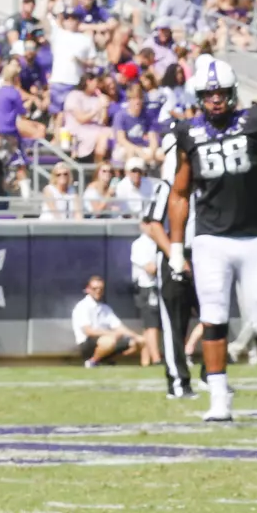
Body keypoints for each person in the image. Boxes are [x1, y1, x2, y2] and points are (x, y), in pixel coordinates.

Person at [164, 58, 257, 422]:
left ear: (232, 93)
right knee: (213, 319)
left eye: (221, 93)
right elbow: (179, 194)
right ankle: (219, 399)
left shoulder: (254, 124)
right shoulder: (188, 134)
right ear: (199, 96)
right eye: (209, 94)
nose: (215, 100)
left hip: (254, 238)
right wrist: (176, 249)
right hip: (211, 240)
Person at [146, 115, 198, 398]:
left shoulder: (200, 186)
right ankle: (178, 382)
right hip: (175, 257)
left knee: (214, 316)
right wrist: (175, 256)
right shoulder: (166, 187)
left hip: (202, 254)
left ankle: (211, 375)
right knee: (174, 325)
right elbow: (154, 226)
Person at [72, 275, 141, 366]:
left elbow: (119, 327)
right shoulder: (82, 306)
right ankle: (92, 362)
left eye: (101, 289)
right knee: (109, 341)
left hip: (105, 339)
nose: (98, 291)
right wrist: (112, 334)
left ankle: (104, 360)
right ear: (88, 289)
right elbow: (89, 331)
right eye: (94, 288)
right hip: (87, 342)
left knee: (136, 342)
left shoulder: (105, 308)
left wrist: (137, 337)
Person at [132, 223, 163, 365]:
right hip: (147, 287)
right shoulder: (140, 244)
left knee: (150, 325)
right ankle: (156, 359)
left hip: (157, 286)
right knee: (152, 324)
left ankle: (146, 361)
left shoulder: (158, 241)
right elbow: (150, 268)